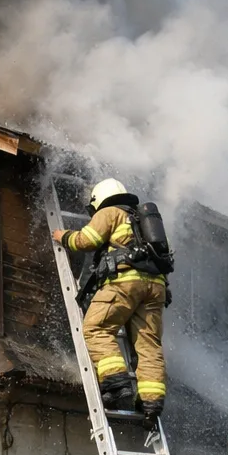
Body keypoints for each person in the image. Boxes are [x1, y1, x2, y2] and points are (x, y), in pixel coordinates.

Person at [52, 178, 168, 428]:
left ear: (99, 200)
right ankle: (150, 404)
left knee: (96, 329)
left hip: (125, 283)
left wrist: (63, 236)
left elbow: (87, 241)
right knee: (148, 345)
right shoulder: (140, 219)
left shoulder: (109, 212)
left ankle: (116, 384)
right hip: (156, 287)